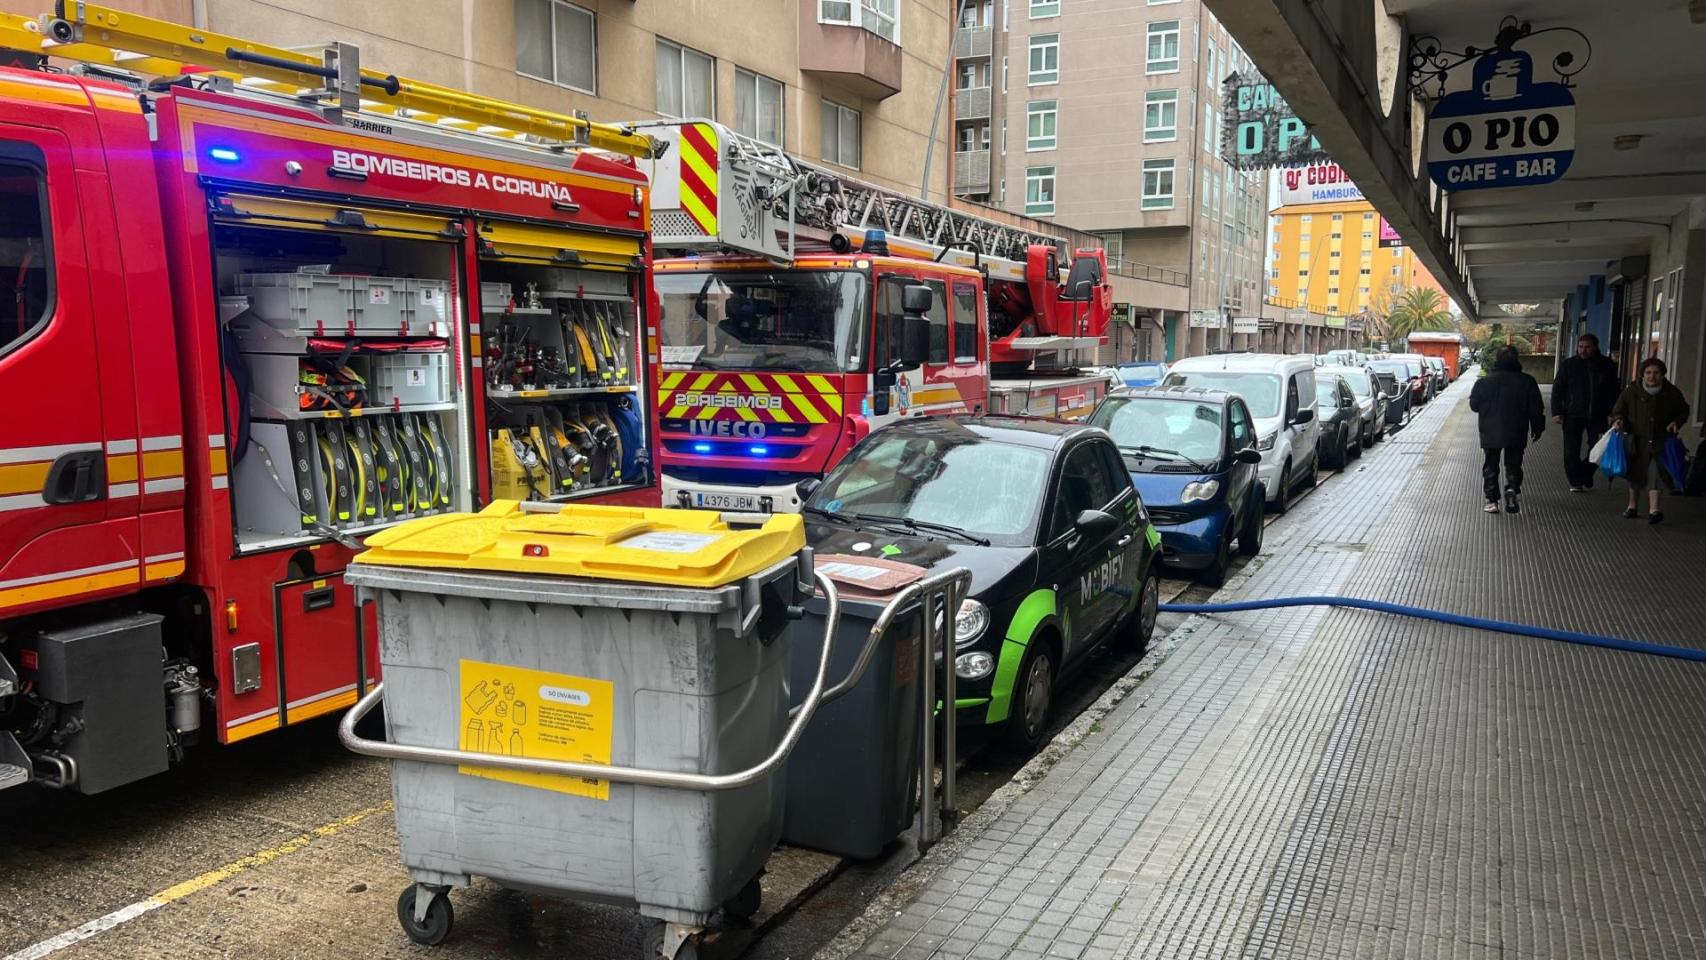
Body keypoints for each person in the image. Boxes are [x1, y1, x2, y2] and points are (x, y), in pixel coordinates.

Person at [1610, 357, 1690, 524]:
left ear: (1662, 375)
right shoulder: (1631, 391)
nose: (1651, 376)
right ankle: (1632, 506)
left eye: (1656, 373)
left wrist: (1677, 422)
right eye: (1648, 373)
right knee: (1635, 473)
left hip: (1661, 439)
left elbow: (1683, 411)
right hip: (1637, 439)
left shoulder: (1671, 392)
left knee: (1656, 474)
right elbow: (1619, 409)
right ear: (1642, 375)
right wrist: (1618, 420)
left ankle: (1655, 510)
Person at [1469, 345, 1545, 514]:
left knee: (1491, 464)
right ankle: (1512, 486)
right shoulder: (1527, 381)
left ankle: (1492, 501)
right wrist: (1538, 428)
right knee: (1514, 463)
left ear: (1497, 360)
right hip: (1517, 429)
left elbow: (1474, 405)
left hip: (1490, 429)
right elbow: (1536, 408)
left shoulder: (1484, 382)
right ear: (1517, 360)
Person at [1550, 333, 1619, 491]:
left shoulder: (1607, 365)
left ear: (1595, 347)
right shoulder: (1569, 365)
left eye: (1587, 347)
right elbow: (1558, 389)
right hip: (1573, 413)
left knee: (1598, 448)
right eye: (1580, 347)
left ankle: (1586, 473)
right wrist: (1556, 411)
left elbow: (1614, 391)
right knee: (1570, 450)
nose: (1583, 350)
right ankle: (1575, 481)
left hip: (1599, 414)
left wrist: (1615, 413)